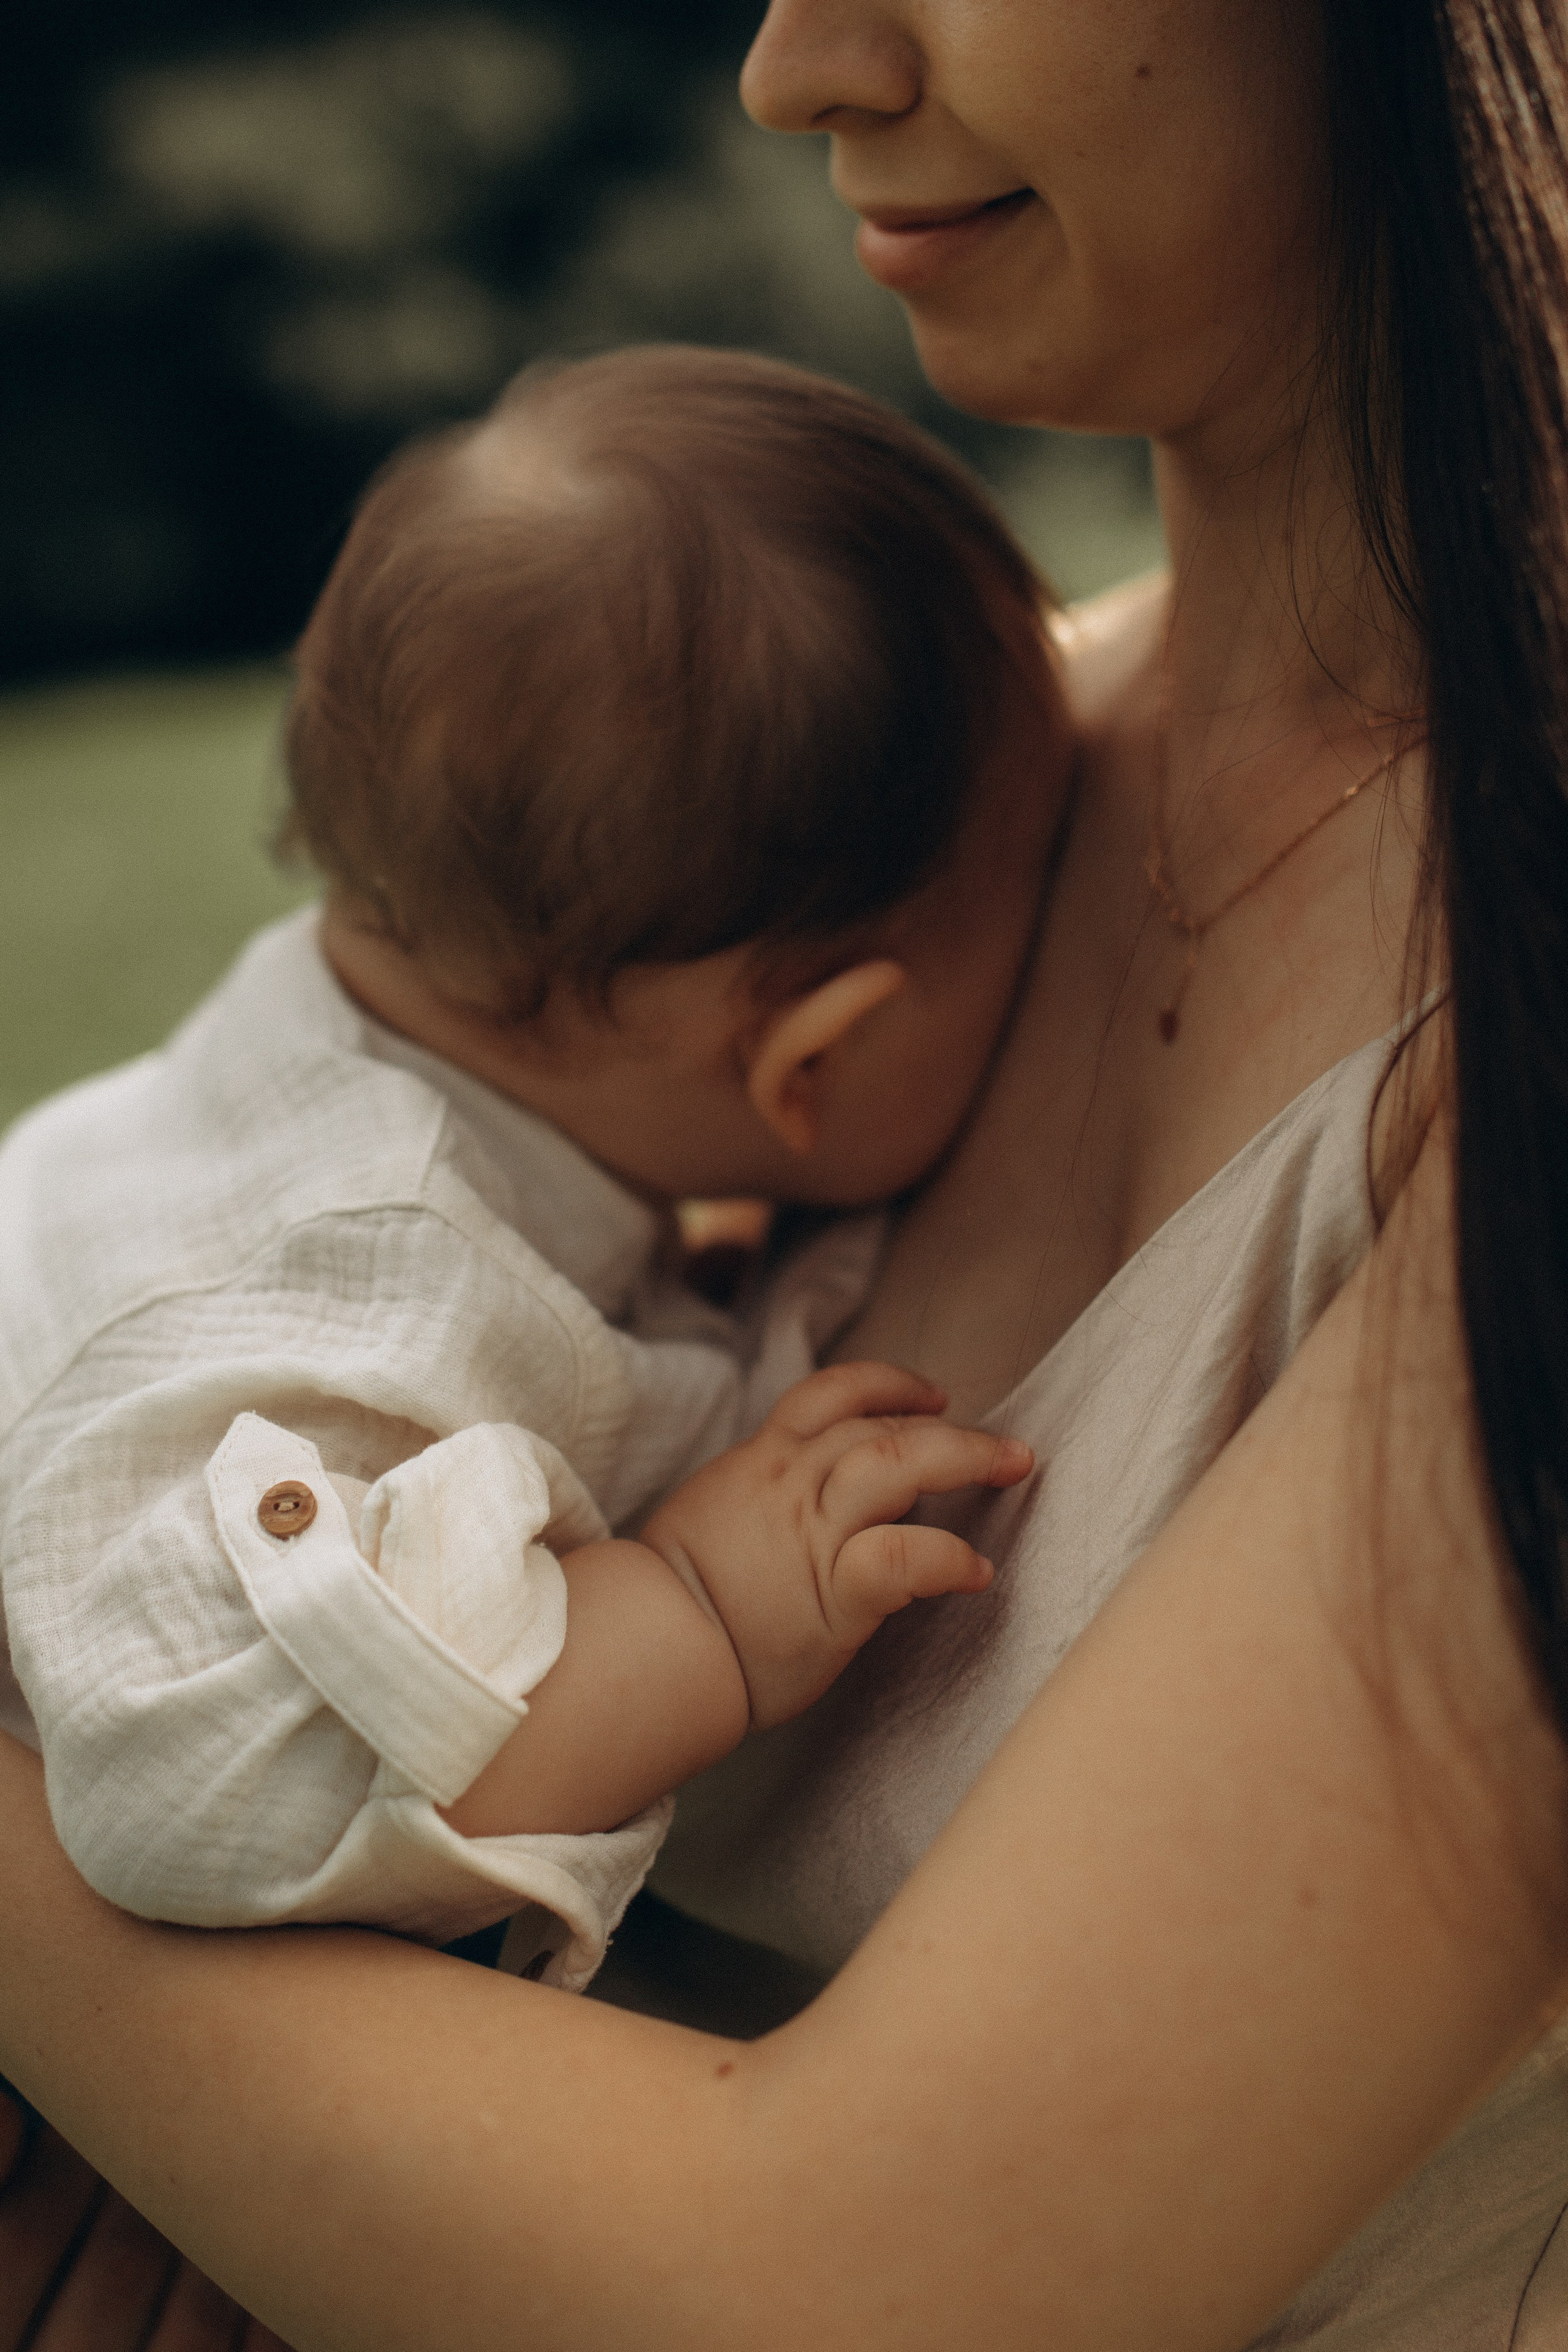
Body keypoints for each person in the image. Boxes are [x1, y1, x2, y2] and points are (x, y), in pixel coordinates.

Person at [4, 0, 1568, 2345]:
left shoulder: (1487, 1000)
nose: (791, 63)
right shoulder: (848, 807)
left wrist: (126, 2040)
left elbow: (860, 2292)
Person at [0, 345, 1055, 1981]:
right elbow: (200, 1787)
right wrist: (690, 1611)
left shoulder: (331, 1040)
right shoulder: (385, 1281)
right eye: (1039, 909)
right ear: (814, 1061)